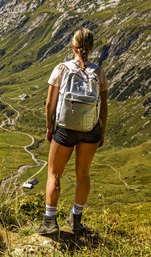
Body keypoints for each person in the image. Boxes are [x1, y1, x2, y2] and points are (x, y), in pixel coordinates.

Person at [36, 26, 108, 235]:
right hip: (90, 131)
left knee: (54, 173)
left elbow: (50, 103)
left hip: (65, 130)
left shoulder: (61, 69)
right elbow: (103, 106)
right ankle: (76, 220)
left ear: (73, 46)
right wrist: (101, 130)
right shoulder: (99, 73)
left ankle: (50, 221)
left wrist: (50, 127)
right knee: (83, 174)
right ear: (91, 48)